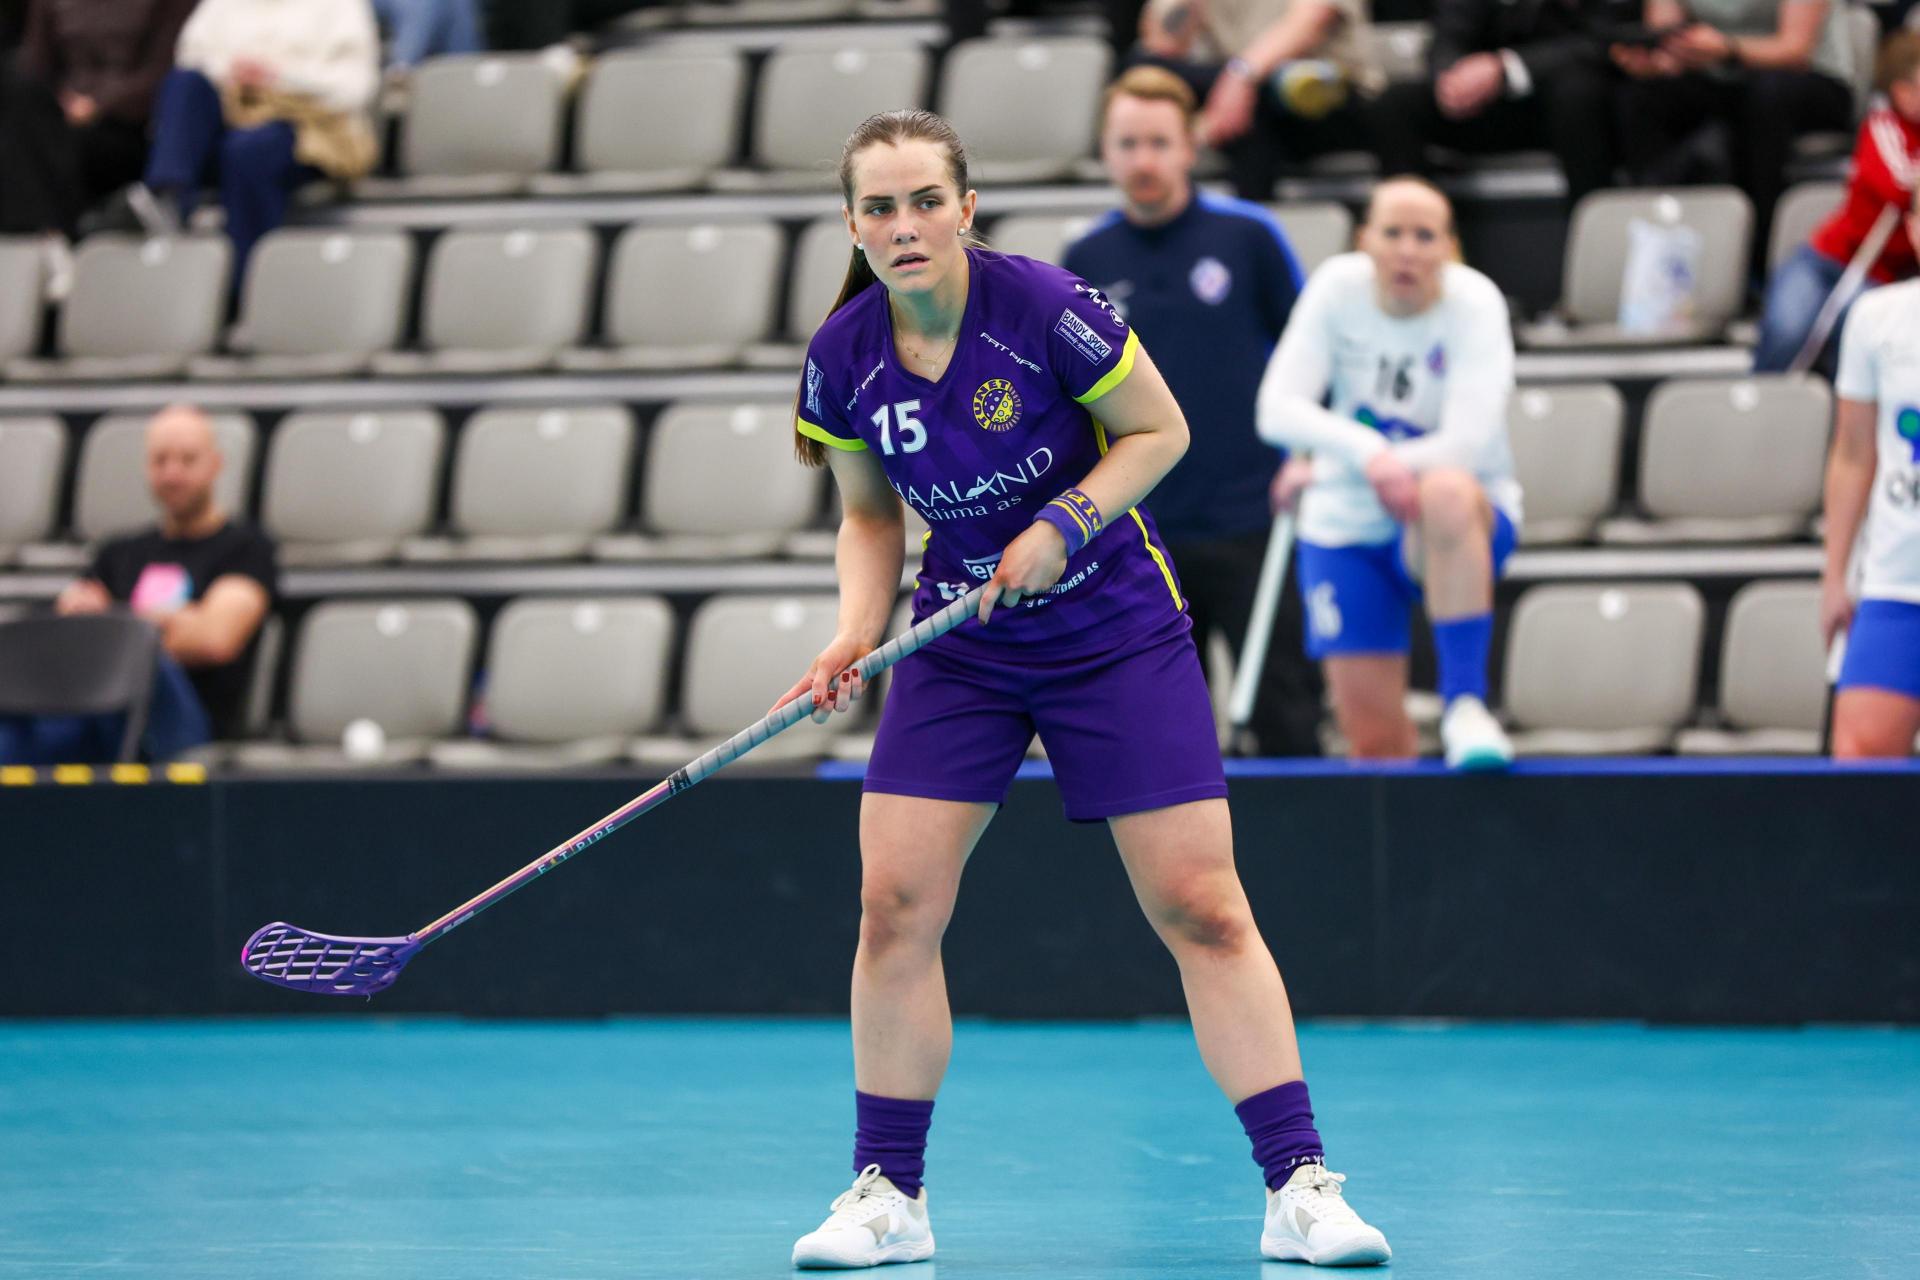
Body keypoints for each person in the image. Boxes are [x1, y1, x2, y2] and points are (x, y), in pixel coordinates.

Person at [780, 109, 1391, 1269]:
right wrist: (855, 632)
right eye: (880, 208)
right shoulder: (844, 356)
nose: (905, 226)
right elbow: (867, 516)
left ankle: (1297, 1183)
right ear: (852, 225)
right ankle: (889, 1193)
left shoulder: (1045, 307)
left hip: (1112, 626)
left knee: (1202, 906)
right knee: (894, 907)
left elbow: (1159, 429)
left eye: (926, 202)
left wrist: (1065, 520)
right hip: (963, 640)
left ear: (966, 209)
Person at [1063, 66, 1324, 755]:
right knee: (1163, 738)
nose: (1143, 160)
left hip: (1254, 516)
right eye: (1128, 144)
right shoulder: (1085, 258)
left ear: (1190, 147)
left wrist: (1307, 457)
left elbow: (1313, 357)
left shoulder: (1248, 236)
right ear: (1105, 151)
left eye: (1159, 142)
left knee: (1287, 715)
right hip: (1141, 532)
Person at [1255, 176, 1522, 769]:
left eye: (1425, 236)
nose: (1407, 251)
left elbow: (1468, 442)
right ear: (1364, 240)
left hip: (1453, 523)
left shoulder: (1475, 302)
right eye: (1392, 233)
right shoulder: (1335, 288)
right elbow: (1275, 410)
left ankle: (1465, 706)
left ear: (1449, 248)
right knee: (1373, 746)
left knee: (1445, 491)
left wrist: (1342, 462)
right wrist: (1368, 454)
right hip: (1347, 521)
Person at [22, 405, 275, 761]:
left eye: (187, 460)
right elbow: (72, 632)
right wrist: (173, 621)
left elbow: (215, 639)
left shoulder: (245, 548)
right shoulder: (119, 552)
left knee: (148, 660)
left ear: (215, 465)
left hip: (189, 727)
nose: (172, 473)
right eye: (160, 460)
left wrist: (111, 618)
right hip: (104, 717)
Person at [134, 0, 379, 283]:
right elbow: (191, 58)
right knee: (185, 83)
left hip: (305, 126)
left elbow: (354, 89)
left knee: (249, 149)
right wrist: (232, 73)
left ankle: (243, 284)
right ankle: (168, 201)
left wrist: (277, 77)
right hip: (228, 119)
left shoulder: (341, 7)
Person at [1612, 0, 1858, 274]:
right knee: (1640, 97)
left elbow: (1796, 50)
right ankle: (1654, 246)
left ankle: (1761, 257)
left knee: (1763, 99)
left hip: (1809, 78)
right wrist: (1657, 59)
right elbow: (1666, 33)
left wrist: (1727, 48)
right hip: (1719, 74)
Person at [0, 0, 197, 294]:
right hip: (60, 118)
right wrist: (60, 103)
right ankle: (45, 241)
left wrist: (99, 105)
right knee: (16, 102)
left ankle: (51, 238)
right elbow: (35, 66)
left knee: (32, 148)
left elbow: (165, 70)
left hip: (130, 128)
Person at [1754, 31, 1920, 375]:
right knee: (1786, 330)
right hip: (1826, 259)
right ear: (1899, 90)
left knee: (1853, 337)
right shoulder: (1883, 126)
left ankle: (1834, 405)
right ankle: (1764, 402)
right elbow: (1900, 186)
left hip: (1881, 276)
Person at [1820, 186, 1920, 759]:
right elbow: (1853, 453)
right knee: (1860, 761)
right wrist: (1835, 574)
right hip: (1896, 583)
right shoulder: (1876, 318)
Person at [1370, 0, 1622, 206]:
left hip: (1567, 107)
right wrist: (1453, 79)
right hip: (1486, 108)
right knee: (1396, 103)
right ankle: (1409, 224)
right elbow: (1447, 35)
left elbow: (1601, 41)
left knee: (1580, 93)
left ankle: (1592, 232)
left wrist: (1505, 67)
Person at [1131, 0, 1384, 200]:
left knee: (1257, 105)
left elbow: (1311, 22)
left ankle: (1248, 226)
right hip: (1238, 92)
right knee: (1143, 67)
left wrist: (1241, 77)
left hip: (1326, 93)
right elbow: (1163, 45)